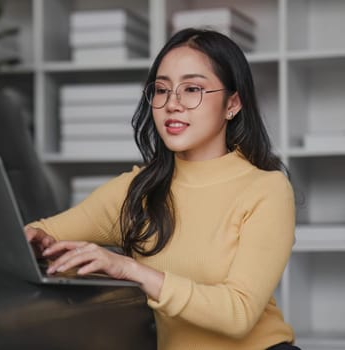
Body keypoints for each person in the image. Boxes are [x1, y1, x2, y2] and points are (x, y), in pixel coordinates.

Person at [25, 28, 300, 350]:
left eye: (192, 88)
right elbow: (43, 232)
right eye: (161, 90)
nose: (172, 104)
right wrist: (36, 241)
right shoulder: (137, 189)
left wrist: (130, 269)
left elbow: (238, 314)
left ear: (232, 104)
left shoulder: (266, 189)